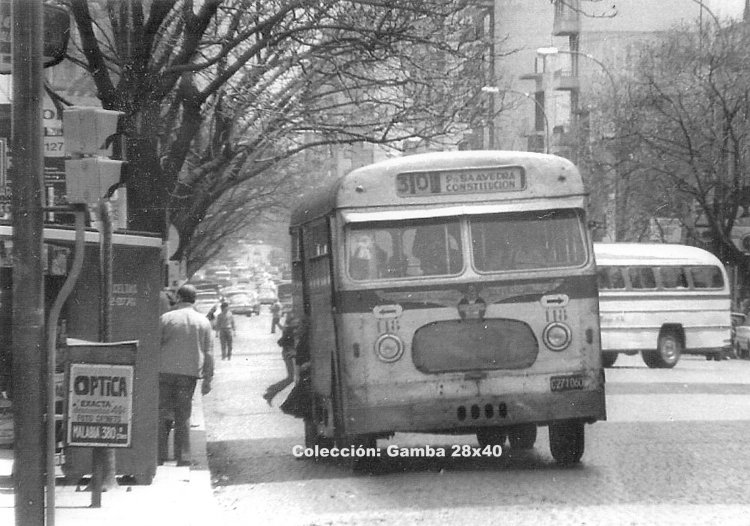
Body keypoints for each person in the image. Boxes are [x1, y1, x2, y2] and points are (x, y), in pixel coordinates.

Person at [158, 284, 214, 466]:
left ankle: (159, 456)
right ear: (194, 299)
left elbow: (154, 345)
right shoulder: (203, 322)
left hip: (164, 372)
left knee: (162, 413)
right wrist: (208, 379)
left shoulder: (165, 318)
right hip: (188, 375)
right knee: (183, 414)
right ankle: (183, 457)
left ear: (179, 298)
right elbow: (209, 353)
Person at [262, 314, 297, 405]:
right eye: (295, 321)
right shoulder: (291, 329)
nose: (297, 322)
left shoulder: (288, 328)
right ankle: (272, 390)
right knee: (291, 378)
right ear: (291, 321)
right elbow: (283, 341)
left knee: (291, 378)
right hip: (289, 354)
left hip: (287, 353)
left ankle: (271, 393)